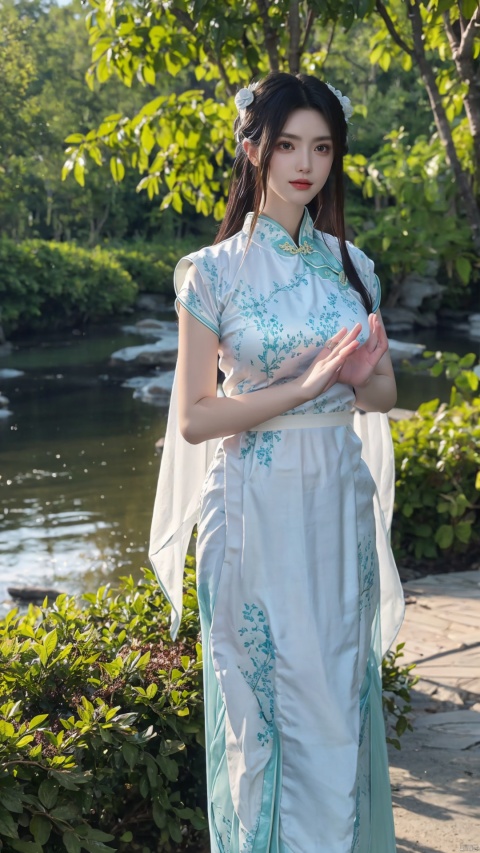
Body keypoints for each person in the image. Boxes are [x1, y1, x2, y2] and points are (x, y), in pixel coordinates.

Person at [149, 71, 405, 853]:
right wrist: (304, 385)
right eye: (289, 143)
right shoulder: (212, 271)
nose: (306, 164)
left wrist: (360, 376)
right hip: (254, 505)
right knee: (263, 710)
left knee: (333, 697)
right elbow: (195, 417)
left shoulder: (351, 263)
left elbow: (383, 391)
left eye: (322, 147)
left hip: (335, 497)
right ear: (253, 147)